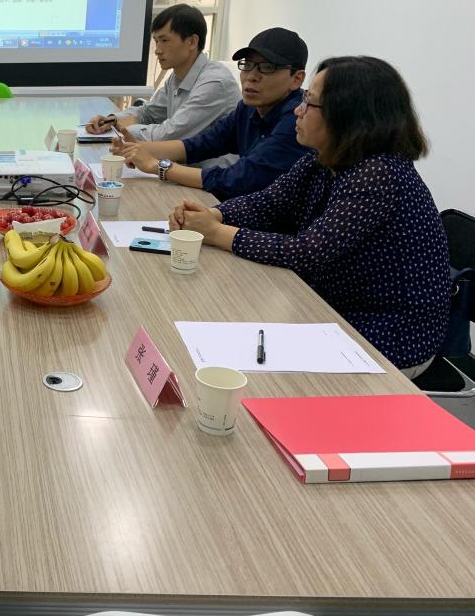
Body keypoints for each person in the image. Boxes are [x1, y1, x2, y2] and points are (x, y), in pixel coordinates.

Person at [168, 56, 450, 377]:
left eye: (309, 103)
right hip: (334, 311)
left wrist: (217, 232)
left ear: (347, 116)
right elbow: (269, 203)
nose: (298, 111)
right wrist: (213, 213)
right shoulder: (323, 159)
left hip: (389, 334)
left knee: (250, 366)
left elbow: (307, 252)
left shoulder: (378, 174)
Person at [115, 27, 312, 201]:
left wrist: (157, 166)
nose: (252, 76)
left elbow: (238, 179)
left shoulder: (298, 119)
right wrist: (137, 149)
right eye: (247, 65)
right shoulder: (248, 107)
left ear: (297, 79)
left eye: (267, 68)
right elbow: (202, 144)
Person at [85, 4, 239, 142]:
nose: (157, 50)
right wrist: (111, 121)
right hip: (180, 162)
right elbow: (149, 113)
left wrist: (121, 128)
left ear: (192, 42)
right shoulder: (177, 77)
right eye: (156, 41)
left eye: (164, 41)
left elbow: (170, 134)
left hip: (207, 166)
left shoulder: (215, 83)